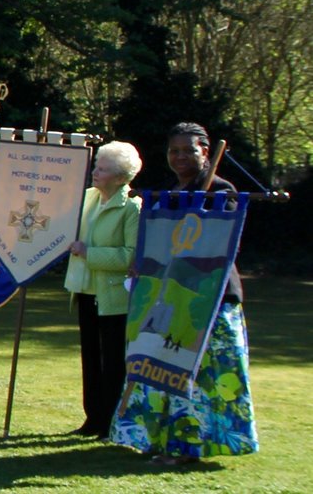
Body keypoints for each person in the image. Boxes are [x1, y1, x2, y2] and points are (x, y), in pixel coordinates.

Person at [111, 122, 258, 464]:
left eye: (188, 150)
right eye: (173, 151)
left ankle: (190, 447)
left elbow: (221, 243)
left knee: (202, 376)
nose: (180, 157)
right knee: (162, 367)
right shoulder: (168, 192)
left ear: (204, 152)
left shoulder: (221, 189)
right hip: (168, 296)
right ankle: (161, 439)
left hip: (210, 300)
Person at [64, 141, 142, 438]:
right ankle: (92, 418)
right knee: (90, 357)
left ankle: (110, 420)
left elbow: (130, 255)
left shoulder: (132, 206)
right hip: (84, 289)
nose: (95, 172)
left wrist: (89, 253)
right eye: (96, 165)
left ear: (121, 177)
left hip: (113, 296)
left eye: (103, 169)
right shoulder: (87, 198)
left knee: (112, 361)